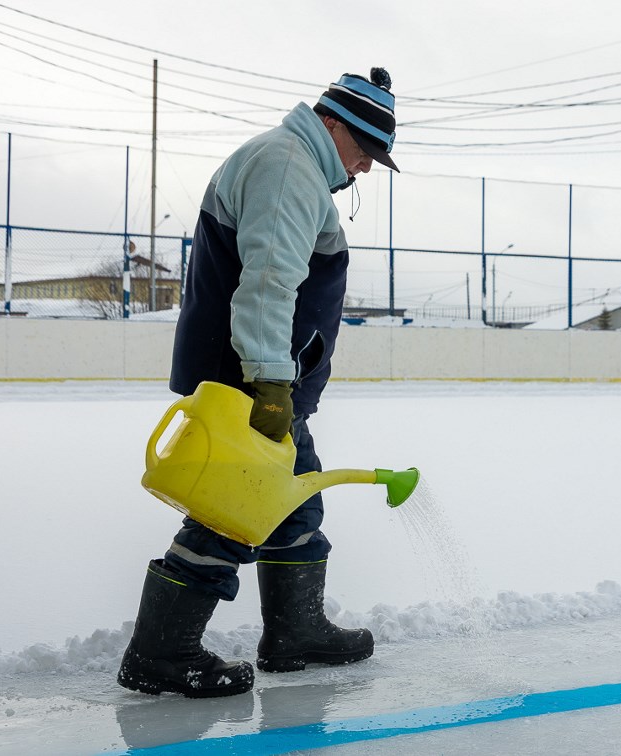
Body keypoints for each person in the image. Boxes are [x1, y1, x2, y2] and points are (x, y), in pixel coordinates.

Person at [117, 68, 399, 698]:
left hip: (259, 373)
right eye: (366, 150)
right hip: (252, 376)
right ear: (333, 125)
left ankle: (296, 631)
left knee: (295, 499)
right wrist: (271, 382)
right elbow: (269, 283)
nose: (368, 167)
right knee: (232, 512)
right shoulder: (288, 167)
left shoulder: (291, 163)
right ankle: (160, 654)